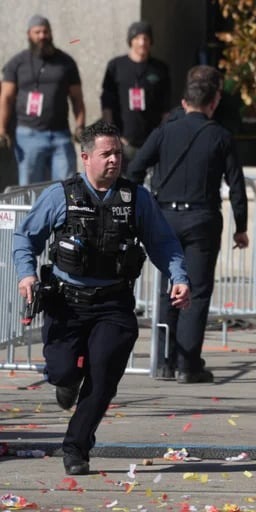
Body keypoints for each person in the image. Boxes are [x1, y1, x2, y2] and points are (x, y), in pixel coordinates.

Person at [12, 120, 190, 475]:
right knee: (63, 371)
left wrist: (179, 277)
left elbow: (164, 244)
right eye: (106, 154)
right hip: (66, 301)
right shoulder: (60, 195)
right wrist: (27, 273)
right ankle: (64, 382)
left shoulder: (136, 198)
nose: (114, 160)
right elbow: (25, 238)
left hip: (113, 303)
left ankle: (76, 447)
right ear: (86, 158)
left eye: (118, 154)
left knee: (103, 375)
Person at [127, 65, 249, 384]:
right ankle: (188, 363)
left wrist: (141, 207)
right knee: (194, 290)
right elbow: (236, 185)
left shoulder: (165, 130)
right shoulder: (220, 136)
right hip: (202, 218)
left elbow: (136, 169)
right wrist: (241, 226)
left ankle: (165, 361)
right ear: (213, 103)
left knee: (170, 287)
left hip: (165, 217)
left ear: (185, 101)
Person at [0, 15, 85, 186]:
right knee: (29, 188)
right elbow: (6, 97)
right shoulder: (17, 63)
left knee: (67, 186)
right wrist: (1, 129)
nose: (41, 36)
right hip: (28, 136)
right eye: (37, 32)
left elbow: (77, 98)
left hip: (61, 135)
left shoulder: (66, 62)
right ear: (29, 34)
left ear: (51, 33)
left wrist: (80, 125)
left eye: (45, 31)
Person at [100, 21, 171, 169]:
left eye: (146, 38)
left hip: (151, 142)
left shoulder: (160, 69)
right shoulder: (116, 66)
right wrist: (112, 134)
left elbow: (166, 106)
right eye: (137, 38)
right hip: (124, 141)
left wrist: (160, 136)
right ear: (130, 40)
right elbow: (107, 102)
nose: (142, 42)